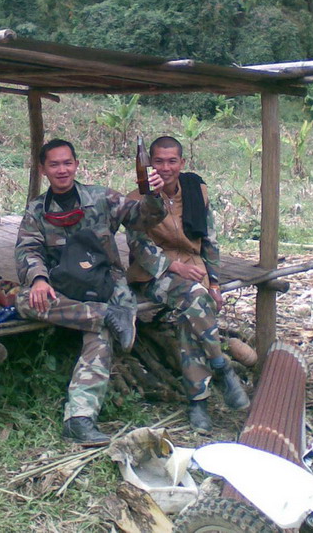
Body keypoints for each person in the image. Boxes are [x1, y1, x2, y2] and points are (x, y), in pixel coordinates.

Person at [14, 138, 165, 446]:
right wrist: (39, 279)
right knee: (24, 299)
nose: (62, 170)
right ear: (43, 169)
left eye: (67, 163)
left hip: (103, 282)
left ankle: (79, 419)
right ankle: (105, 315)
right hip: (63, 287)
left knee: (102, 333)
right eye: (54, 164)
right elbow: (27, 249)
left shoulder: (101, 197)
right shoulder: (37, 210)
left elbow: (143, 217)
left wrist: (153, 195)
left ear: (77, 165)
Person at [126, 135, 249, 433]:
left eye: (172, 161)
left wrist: (215, 283)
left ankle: (198, 403)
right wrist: (172, 265)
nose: (165, 168)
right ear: (148, 164)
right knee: (195, 297)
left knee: (190, 314)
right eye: (158, 161)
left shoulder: (196, 192)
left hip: (194, 271)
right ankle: (221, 366)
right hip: (153, 275)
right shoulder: (136, 198)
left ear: (182, 163)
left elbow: (210, 240)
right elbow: (139, 245)